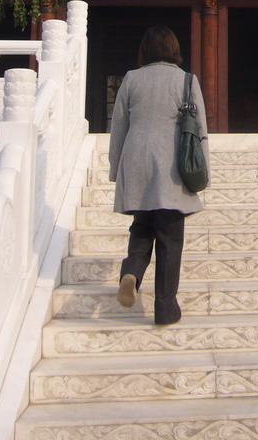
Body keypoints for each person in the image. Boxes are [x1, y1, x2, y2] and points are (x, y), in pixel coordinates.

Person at [107, 25, 209, 325]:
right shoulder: (187, 81)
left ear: (145, 50)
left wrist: (116, 169)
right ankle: (165, 308)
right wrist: (205, 172)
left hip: (136, 161)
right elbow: (200, 130)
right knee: (170, 237)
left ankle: (132, 272)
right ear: (173, 48)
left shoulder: (131, 79)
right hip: (172, 166)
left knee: (141, 226)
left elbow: (119, 128)